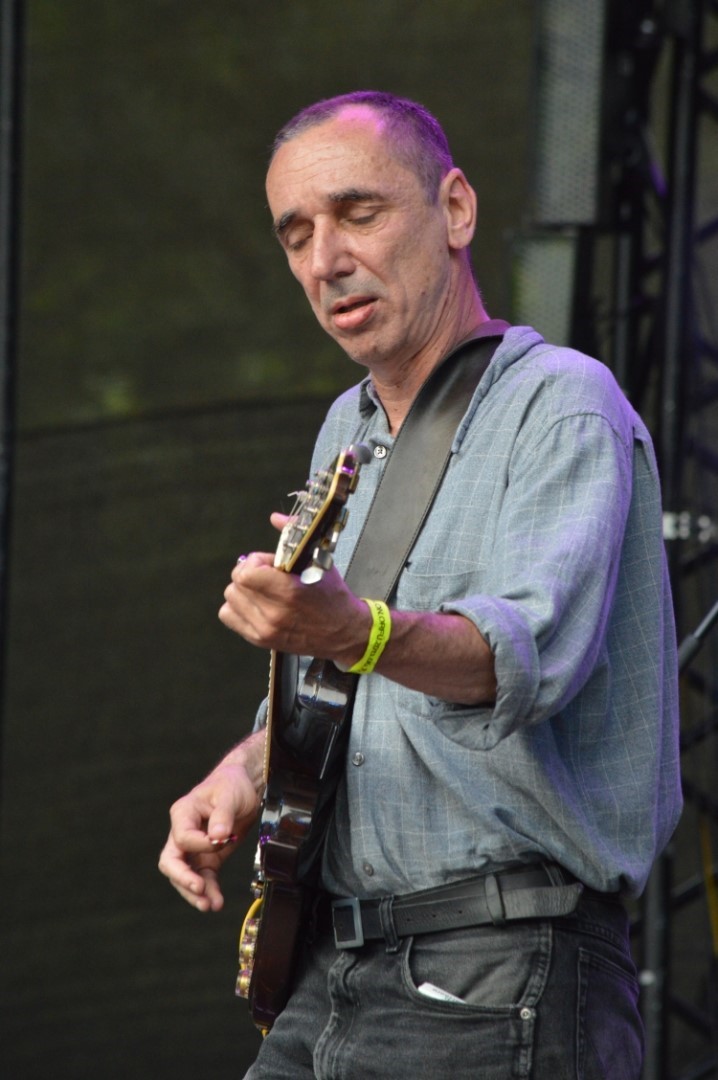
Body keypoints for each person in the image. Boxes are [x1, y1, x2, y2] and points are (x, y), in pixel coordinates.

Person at [158, 91, 682, 1078]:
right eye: (296, 235)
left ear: (455, 210)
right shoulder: (346, 429)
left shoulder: (561, 403)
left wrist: (349, 629)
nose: (325, 259)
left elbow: (511, 659)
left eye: (358, 213)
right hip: (334, 966)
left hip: (502, 966)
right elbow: (346, 690)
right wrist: (244, 774)